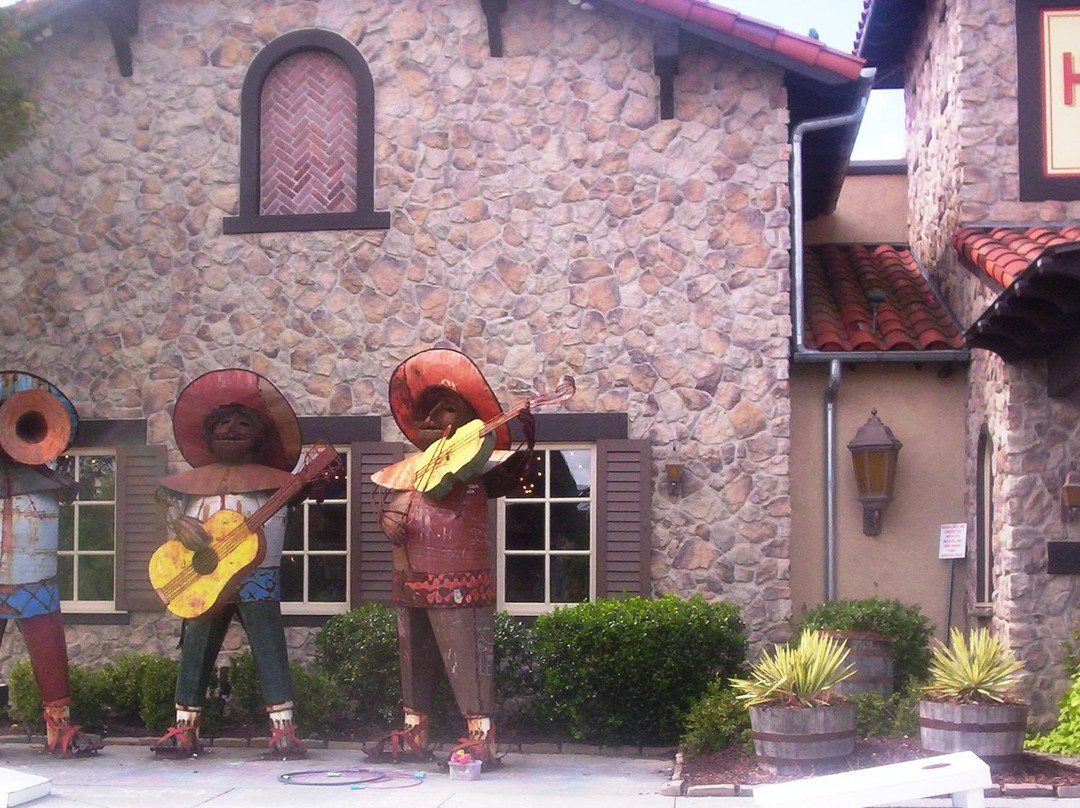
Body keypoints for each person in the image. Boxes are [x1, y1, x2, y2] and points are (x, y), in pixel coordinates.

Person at [371, 348, 537, 768]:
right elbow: (400, 507)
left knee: (466, 655)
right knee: (412, 654)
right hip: (409, 580)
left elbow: (510, 474)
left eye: (445, 409)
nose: (430, 418)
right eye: (425, 412)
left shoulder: (474, 469)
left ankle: (481, 735)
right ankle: (415, 730)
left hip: (457, 579)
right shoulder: (412, 470)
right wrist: (390, 521)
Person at [151, 369, 307, 760]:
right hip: (203, 579)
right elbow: (166, 501)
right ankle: (184, 728)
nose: (232, 430)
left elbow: (307, 493)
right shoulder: (192, 485)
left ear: (261, 437)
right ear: (208, 435)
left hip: (259, 575)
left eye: (244, 425)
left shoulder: (275, 483)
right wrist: (178, 523)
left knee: (269, 648)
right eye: (222, 424)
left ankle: (283, 730)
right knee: (196, 648)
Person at [0, 371, 102, 756]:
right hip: (34, 581)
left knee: (50, 654)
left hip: (38, 580)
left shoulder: (43, 482)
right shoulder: (43, 487)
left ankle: (60, 730)